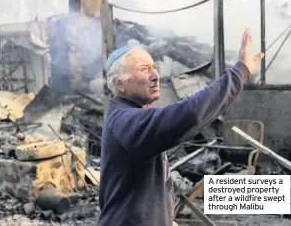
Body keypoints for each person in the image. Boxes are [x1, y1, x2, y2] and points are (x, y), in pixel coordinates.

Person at [97, 29, 264, 226]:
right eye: (144, 69)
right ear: (120, 84)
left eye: (154, 67)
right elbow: (190, 113)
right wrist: (239, 74)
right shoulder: (124, 120)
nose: (155, 75)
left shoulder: (125, 115)